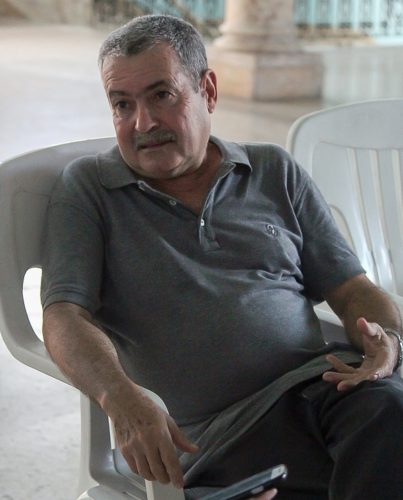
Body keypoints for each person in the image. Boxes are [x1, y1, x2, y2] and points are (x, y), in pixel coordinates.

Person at [41, 14, 403, 500]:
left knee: (388, 413)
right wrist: (118, 396)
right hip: (215, 442)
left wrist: (388, 339)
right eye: (122, 104)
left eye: (161, 95)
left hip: (324, 394)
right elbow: (63, 316)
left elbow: (353, 288)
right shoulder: (90, 189)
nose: (143, 123)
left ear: (207, 91)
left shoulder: (273, 170)